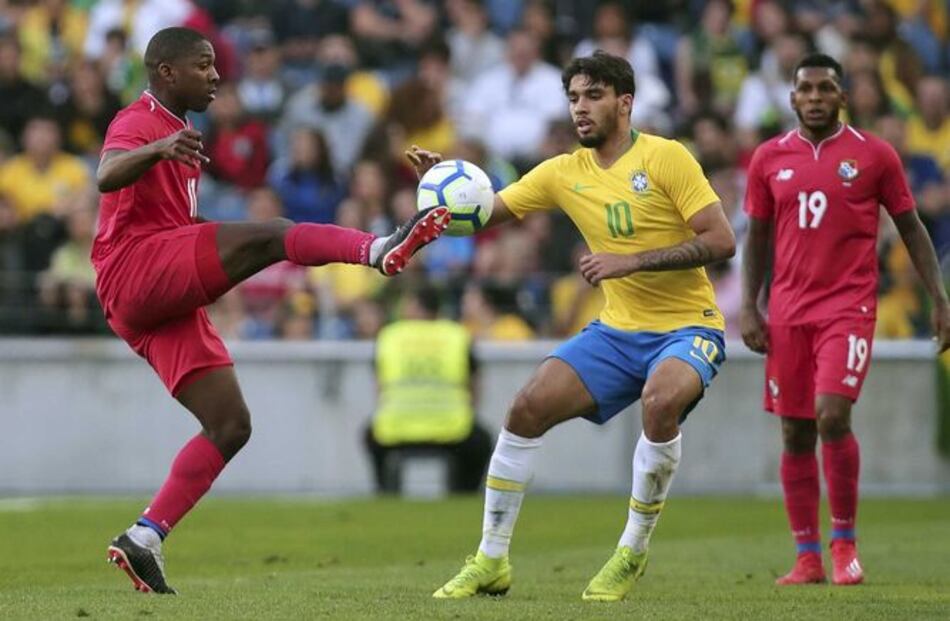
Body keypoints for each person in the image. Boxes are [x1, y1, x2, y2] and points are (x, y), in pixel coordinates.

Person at [96, 27, 450, 595]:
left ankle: (145, 537)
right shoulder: (140, 119)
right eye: (204, 65)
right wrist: (156, 149)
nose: (216, 75)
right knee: (274, 235)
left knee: (231, 425)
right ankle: (377, 250)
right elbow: (105, 174)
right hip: (134, 269)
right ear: (167, 72)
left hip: (149, 298)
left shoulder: (183, 130)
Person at [411, 50, 737, 602]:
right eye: (573, 98)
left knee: (660, 403)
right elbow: (488, 212)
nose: (579, 109)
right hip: (617, 332)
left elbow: (722, 240)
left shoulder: (667, 158)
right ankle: (491, 559)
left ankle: (631, 551)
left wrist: (630, 261)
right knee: (525, 409)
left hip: (688, 328)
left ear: (624, 103)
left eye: (593, 96)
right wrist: (446, 191)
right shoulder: (564, 172)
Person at [740, 53, 950, 587]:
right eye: (805, 89)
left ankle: (844, 545)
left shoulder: (874, 156)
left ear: (843, 96)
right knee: (794, 431)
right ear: (791, 98)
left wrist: (940, 298)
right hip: (787, 312)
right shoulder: (768, 159)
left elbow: (912, 228)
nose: (814, 97)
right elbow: (758, 238)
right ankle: (807, 556)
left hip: (848, 308)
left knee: (831, 415)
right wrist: (750, 304)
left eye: (825, 88)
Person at [364, 286, 492, 494]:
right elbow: (474, 383)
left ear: (415, 305)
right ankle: (463, 494)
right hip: (452, 429)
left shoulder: (390, 335)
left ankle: (386, 492)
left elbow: (379, 387)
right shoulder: (456, 335)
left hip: (396, 429)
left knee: (370, 437)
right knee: (482, 442)